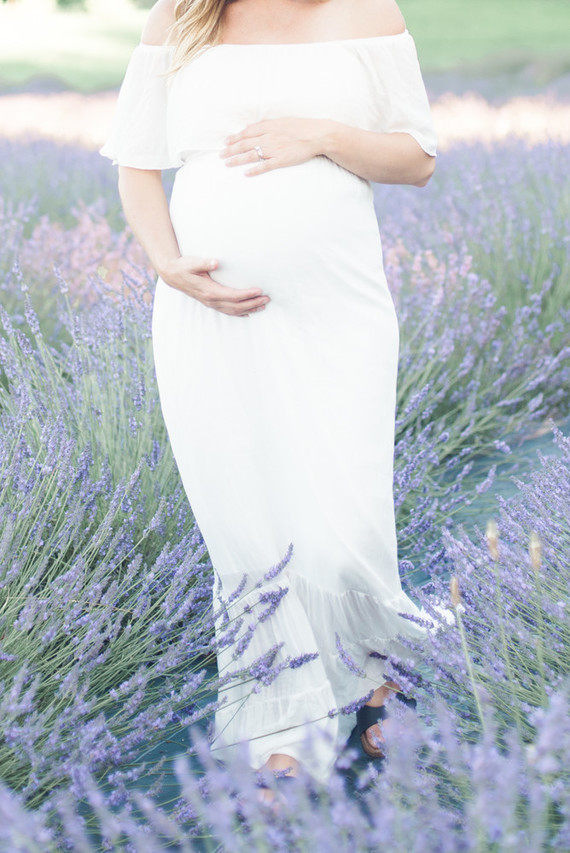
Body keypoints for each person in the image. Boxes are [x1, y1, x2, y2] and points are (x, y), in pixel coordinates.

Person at [101, 0, 437, 788]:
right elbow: (135, 162)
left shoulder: (368, 13)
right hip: (207, 315)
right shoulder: (177, 19)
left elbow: (417, 158)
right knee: (246, 519)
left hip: (338, 311)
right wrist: (164, 261)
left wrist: (322, 135)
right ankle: (282, 726)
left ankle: (374, 673)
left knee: (339, 518)